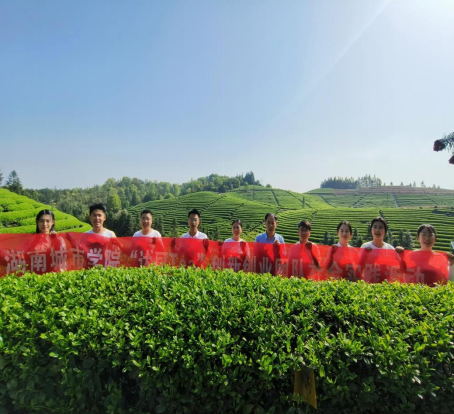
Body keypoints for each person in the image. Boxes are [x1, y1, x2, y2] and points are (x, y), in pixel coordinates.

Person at [359, 217, 403, 283]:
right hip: (368, 285)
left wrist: (401, 254)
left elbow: (400, 268)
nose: (377, 230)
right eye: (375, 227)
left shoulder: (390, 249)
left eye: (380, 227)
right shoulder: (365, 247)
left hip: (386, 285)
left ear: (385, 231)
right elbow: (359, 267)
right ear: (371, 229)